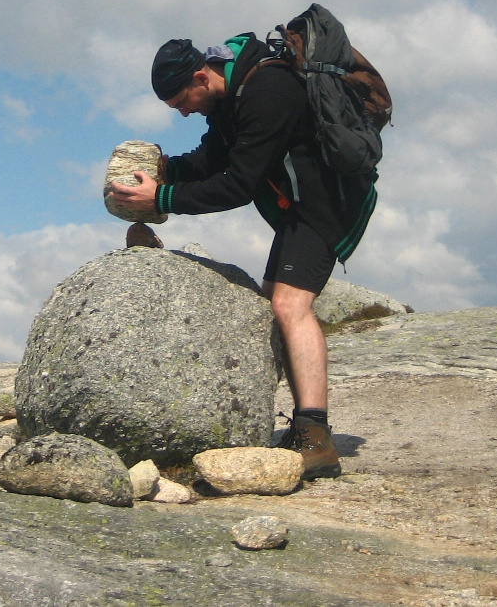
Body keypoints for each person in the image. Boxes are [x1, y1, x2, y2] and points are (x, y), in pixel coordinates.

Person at [110, 34, 378, 479]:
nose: (183, 111)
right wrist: (166, 171)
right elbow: (214, 157)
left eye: (182, 101)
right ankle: (304, 427)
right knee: (275, 301)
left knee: (291, 306)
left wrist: (165, 198)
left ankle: (317, 439)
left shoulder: (268, 91)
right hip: (302, 207)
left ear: (201, 75)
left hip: (329, 204)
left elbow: (239, 183)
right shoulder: (230, 96)